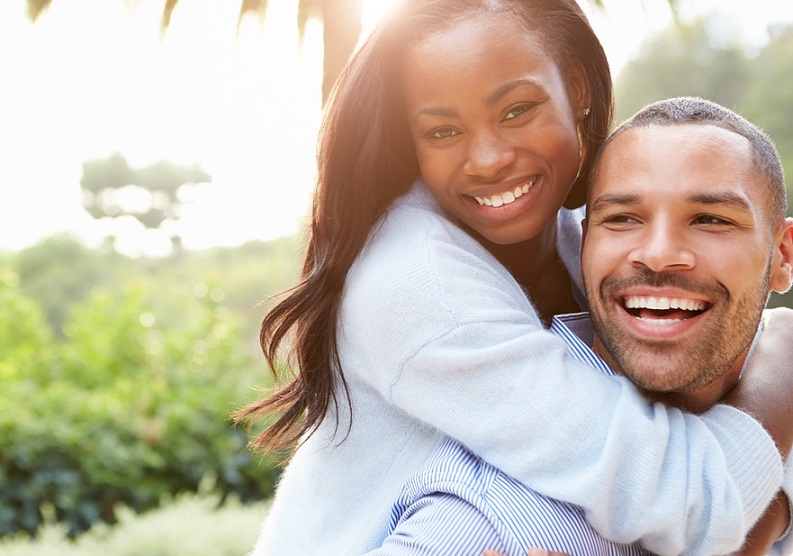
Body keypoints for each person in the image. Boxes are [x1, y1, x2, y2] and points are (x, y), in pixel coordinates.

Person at [236, 1, 793, 554]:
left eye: (515, 110)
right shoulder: (415, 284)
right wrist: (781, 369)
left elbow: (700, 436)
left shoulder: (590, 240)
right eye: (442, 131)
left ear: (577, 88)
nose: (487, 159)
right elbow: (683, 500)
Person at [367, 97, 793, 556]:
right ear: (586, 241)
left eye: (710, 219)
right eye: (623, 219)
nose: (657, 252)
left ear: (783, 257)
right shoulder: (488, 513)